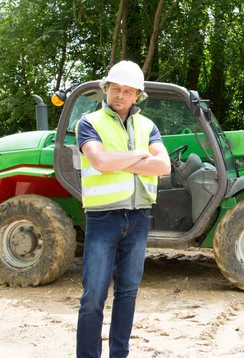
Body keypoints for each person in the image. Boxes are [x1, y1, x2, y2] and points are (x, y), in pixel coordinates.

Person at [76, 60, 171, 358]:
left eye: (128, 91)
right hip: (103, 218)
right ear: (106, 89)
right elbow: (100, 162)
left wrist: (123, 159)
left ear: (137, 95)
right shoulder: (89, 123)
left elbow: (164, 166)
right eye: (116, 88)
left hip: (139, 217)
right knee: (93, 297)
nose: (121, 94)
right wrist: (141, 155)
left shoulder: (148, 126)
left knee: (128, 293)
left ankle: (120, 354)